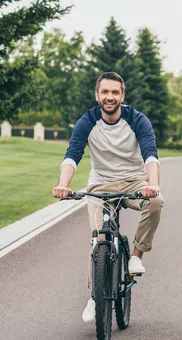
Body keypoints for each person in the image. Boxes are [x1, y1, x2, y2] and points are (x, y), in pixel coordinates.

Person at [52, 72, 163, 322]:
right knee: (98, 240)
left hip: (134, 181)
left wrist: (152, 184)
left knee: (156, 202)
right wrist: (62, 185)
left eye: (115, 92)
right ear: (97, 95)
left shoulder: (137, 120)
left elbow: (150, 155)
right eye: (105, 92)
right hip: (100, 184)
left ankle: (135, 255)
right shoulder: (87, 121)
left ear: (122, 95)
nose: (110, 97)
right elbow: (73, 155)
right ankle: (94, 298)